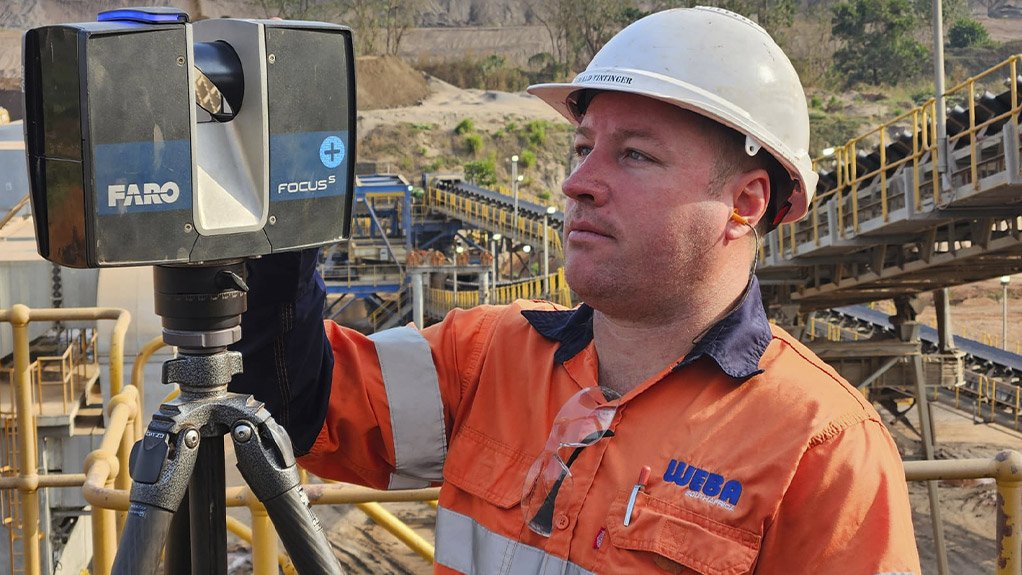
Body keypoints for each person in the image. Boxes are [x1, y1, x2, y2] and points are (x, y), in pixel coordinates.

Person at [231, 7, 921, 574]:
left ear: (745, 202)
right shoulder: (487, 355)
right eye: (582, 146)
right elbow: (296, 405)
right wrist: (280, 215)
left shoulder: (820, 447)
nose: (578, 181)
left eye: (634, 154)